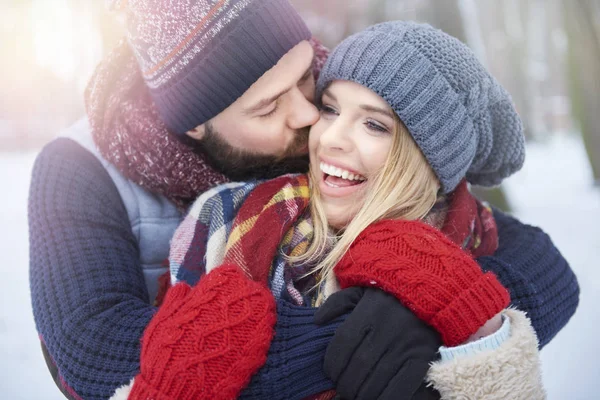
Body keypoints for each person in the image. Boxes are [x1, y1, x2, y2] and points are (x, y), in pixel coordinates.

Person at [27, 1, 578, 399]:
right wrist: (352, 339)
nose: (310, 118)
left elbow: (529, 255)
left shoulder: (334, 116)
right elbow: (92, 349)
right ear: (197, 127)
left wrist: (448, 310)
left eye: (307, 77)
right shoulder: (77, 168)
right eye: (269, 108)